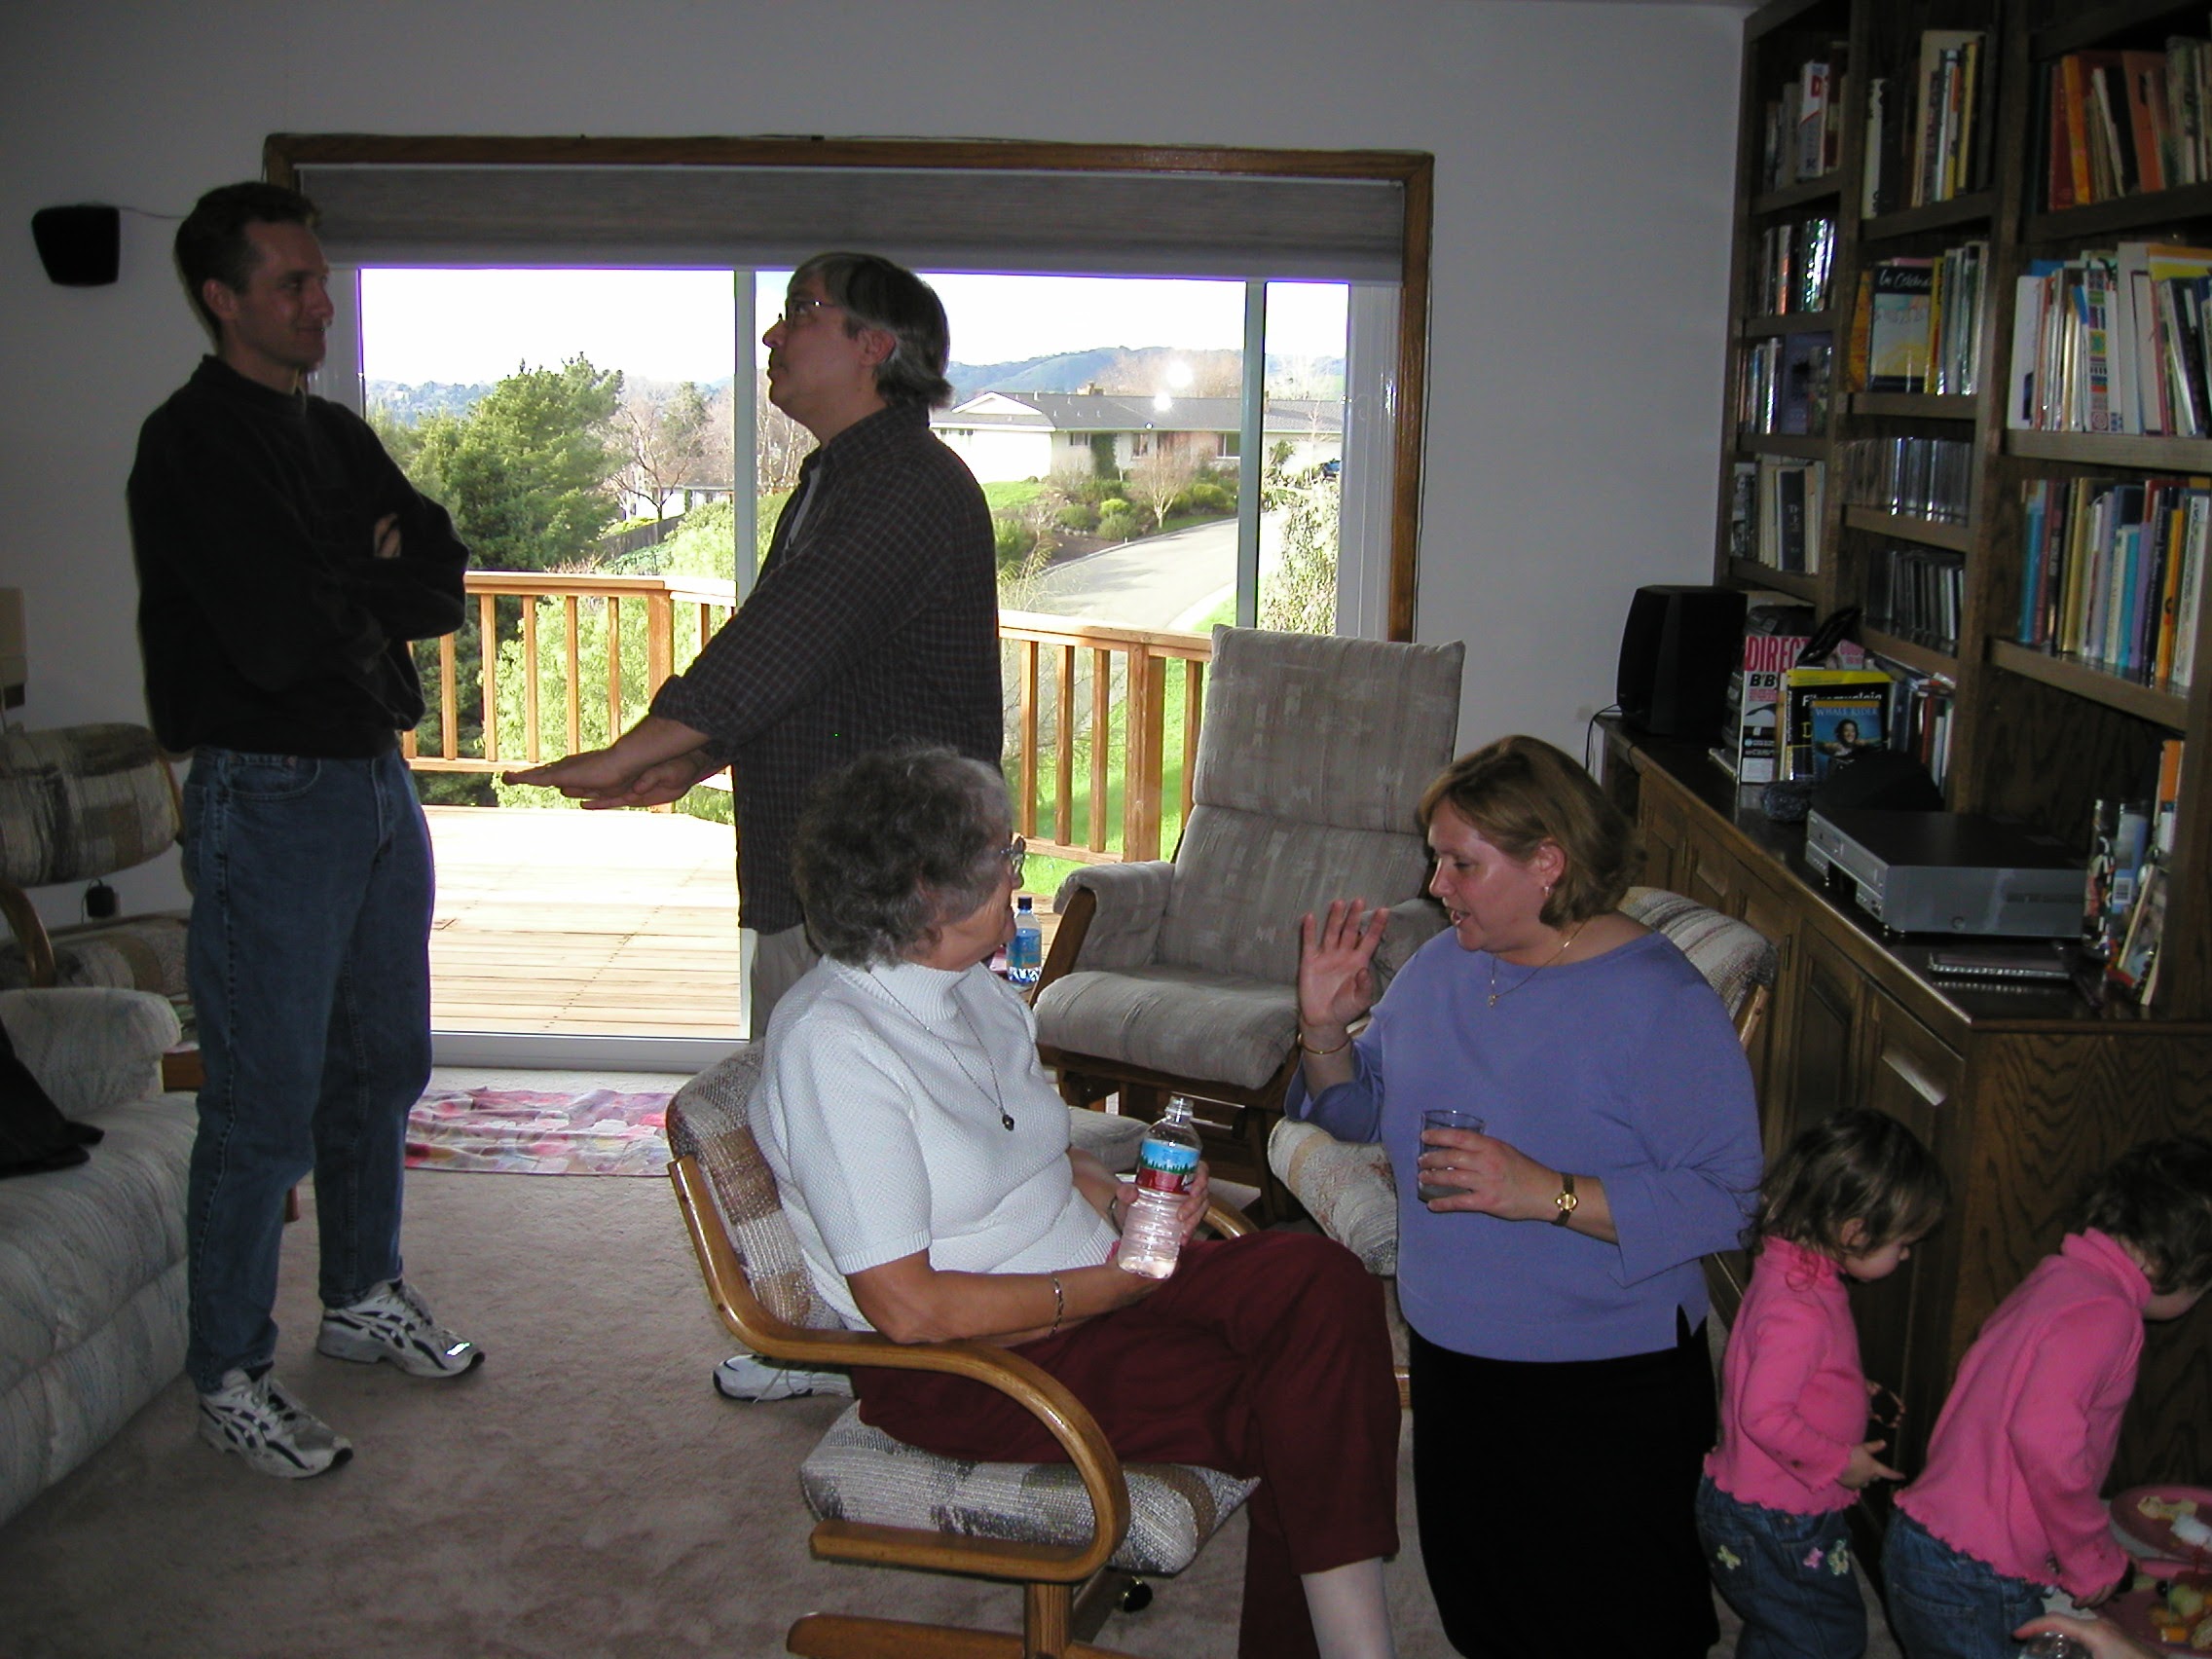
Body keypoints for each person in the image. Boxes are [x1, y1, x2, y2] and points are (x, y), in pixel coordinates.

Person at [752, 746, 1403, 1659]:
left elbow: (1040, 1151)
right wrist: (1113, 1284)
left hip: (1091, 1285)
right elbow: (909, 1308)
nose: (1020, 872)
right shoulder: (836, 1045)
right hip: (973, 1365)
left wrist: (1125, 1200)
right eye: (1004, 855)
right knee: (1301, 1401)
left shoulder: (974, 994)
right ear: (930, 893)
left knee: (1320, 1277)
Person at [502, 254, 1000, 1405]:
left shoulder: (903, 485)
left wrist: (643, 740)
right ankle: (840, 1335)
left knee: (852, 1122)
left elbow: (792, 635)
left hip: (893, 885)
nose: (775, 337)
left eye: (801, 313)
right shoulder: (843, 478)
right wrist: (691, 757)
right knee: (816, 1114)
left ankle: (876, 1346)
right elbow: (815, 669)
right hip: (843, 868)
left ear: (877, 344)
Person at [128, 181, 481, 1480]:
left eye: (320, 278)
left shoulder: (330, 434)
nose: (319, 301)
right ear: (222, 298)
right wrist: (361, 572)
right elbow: (274, 639)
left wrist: (350, 570)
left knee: (383, 1063)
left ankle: (359, 1296)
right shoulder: (191, 444)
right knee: (264, 1103)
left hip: (375, 777)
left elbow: (437, 576)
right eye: (292, 283)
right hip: (269, 791)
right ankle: (228, 1372)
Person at [1290, 733, 1764, 1659]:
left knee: (1615, 1629)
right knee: (1486, 1613)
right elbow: (1356, 1109)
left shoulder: (1658, 1002)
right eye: (1437, 859)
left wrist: (1548, 1194)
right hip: (1455, 1355)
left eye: (1461, 864)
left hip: (1605, 1380)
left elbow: (1727, 1199)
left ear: (1549, 861)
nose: (1436, 885)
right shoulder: (1442, 968)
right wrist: (1323, 1031)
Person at [1885, 1135, 2212, 1659]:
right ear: (2170, 1262)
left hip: (1931, 1537)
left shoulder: (2058, 1276)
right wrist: (2088, 1555)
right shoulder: (2109, 1316)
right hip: (1977, 1572)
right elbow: (2044, 1440)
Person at [1697, 1108, 1950, 1659]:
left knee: (1788, 1626)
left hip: (1764, 1507)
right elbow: (1763, 1415)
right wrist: (1839, 1462)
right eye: (1902, 1243)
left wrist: (1850, 1391)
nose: (1906, 1254)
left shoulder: (1790, 1267)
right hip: (1777, 1518)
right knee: (1824, 1636)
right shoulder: (1801, 1310)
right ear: (1854, 1231)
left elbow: (1783, 1368)